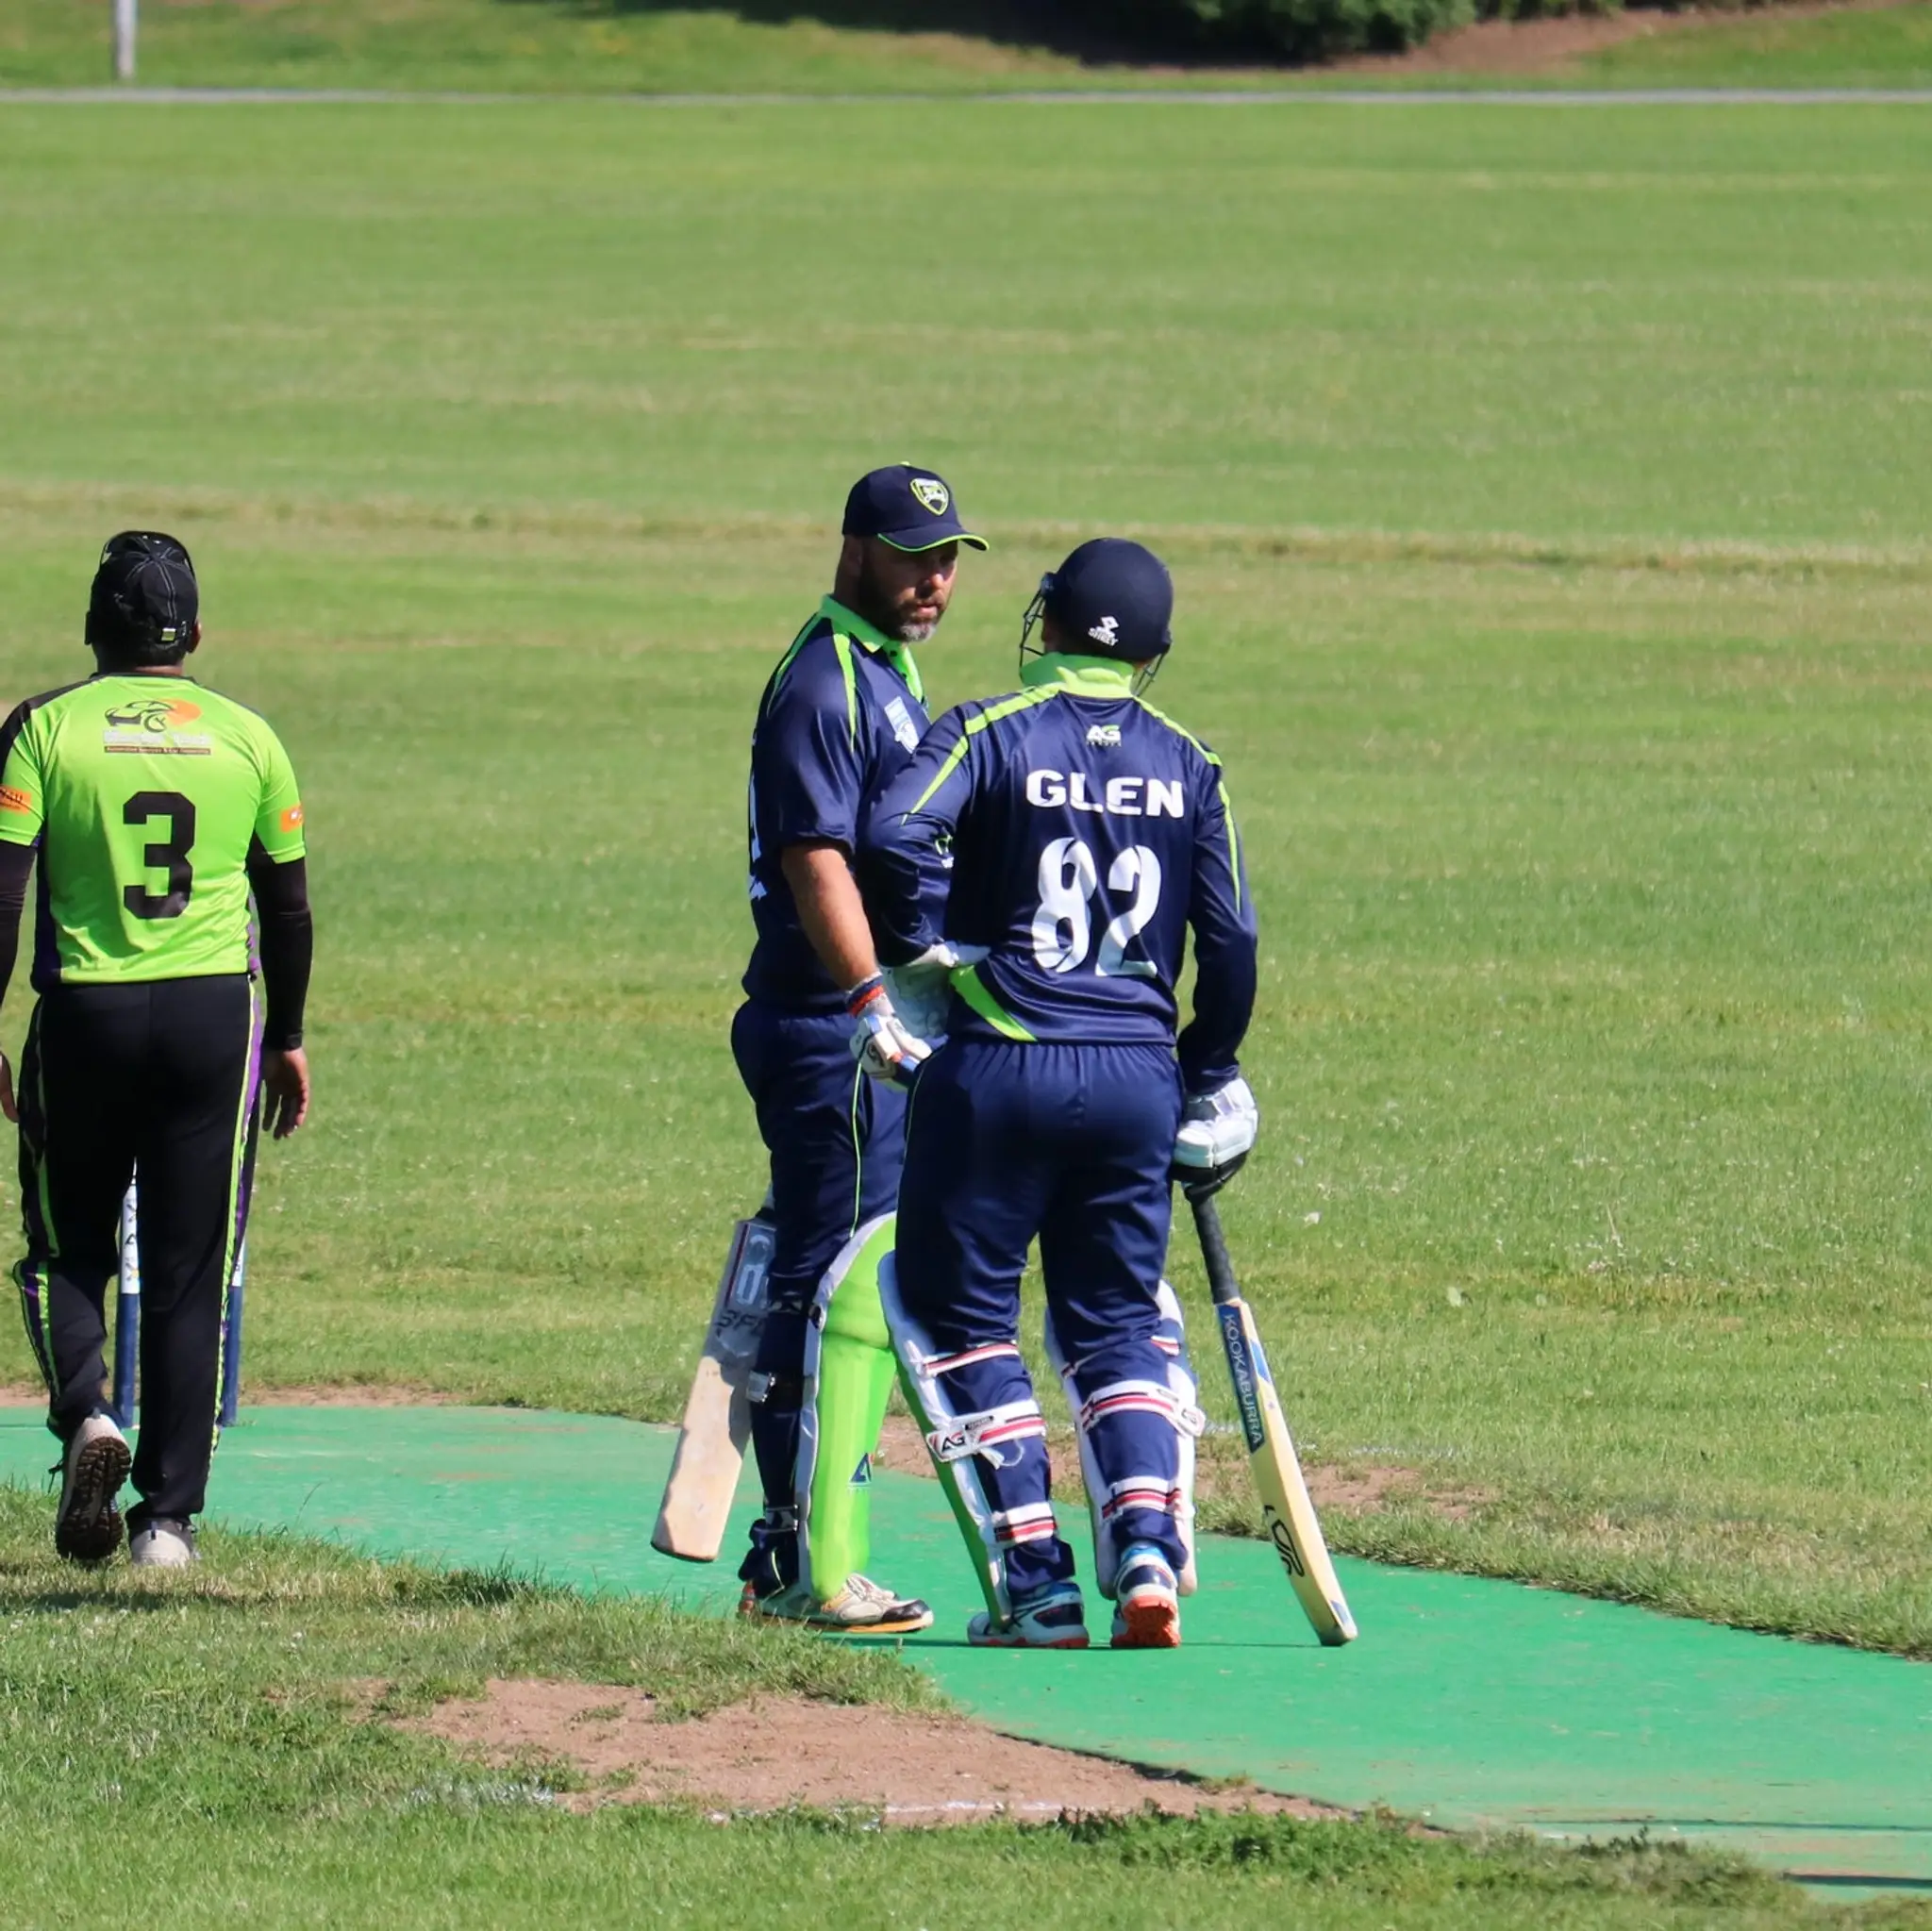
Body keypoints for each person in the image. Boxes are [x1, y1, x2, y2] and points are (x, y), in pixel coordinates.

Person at [857, 538, 1258, 1649]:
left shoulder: (987, 730)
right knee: (1118, 1322)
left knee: (960, 1317)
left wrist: (934, 955)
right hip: (1135, 1076)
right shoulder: (1191, 762)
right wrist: (1207, 1069)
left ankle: (1035, 1585)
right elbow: (1228, 943)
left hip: (999, 1067)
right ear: (1153, 652)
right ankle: (1142, 1546)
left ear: (1049, 622)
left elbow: (892, 833)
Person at [0, 533, 312, 1568]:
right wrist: (291, 1038)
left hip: (85, 1017)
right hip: (212, 1022)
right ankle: (168, 1519)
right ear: (197, 633)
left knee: (64, 1247)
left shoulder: (43, 729)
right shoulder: (248, 736)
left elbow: (2, 898)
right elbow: (291, 908)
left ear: (94, 627)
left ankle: (89, 1410)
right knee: (189, 1266)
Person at [731, 465, 986, 1633]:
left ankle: (789, 1551)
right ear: (851, 550)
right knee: (832, 1277)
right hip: (828, 1025)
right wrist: (871, 998)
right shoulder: (820, 683)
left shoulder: (882, 667)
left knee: (831, 1265)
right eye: (909, 555)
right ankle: (806, 1562)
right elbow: (814, 856)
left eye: (944, 557)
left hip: (850, 1025)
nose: (931, 578)